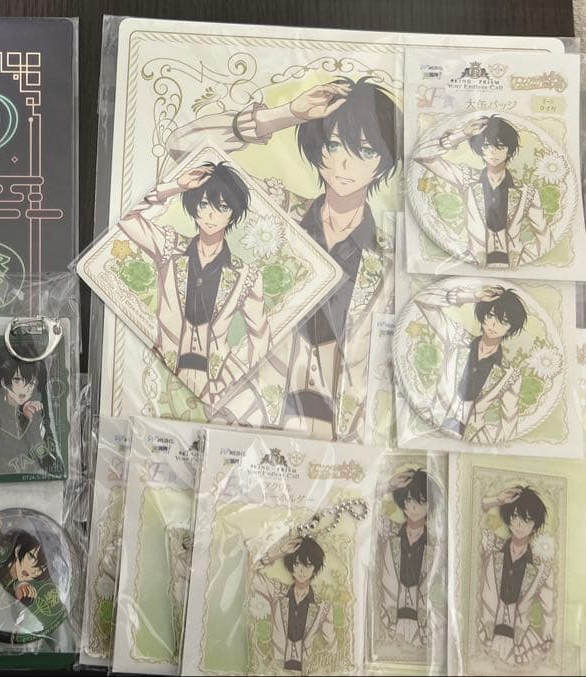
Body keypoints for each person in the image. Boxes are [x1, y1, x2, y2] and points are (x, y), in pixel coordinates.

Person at [166, 76, 401, 442]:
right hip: (250, 414)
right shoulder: (278, 213)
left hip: (341, 432)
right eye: (334, 145)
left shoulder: (389, 258)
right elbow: (182, 149)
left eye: (366, 151)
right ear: (317, 147)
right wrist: (286, 115)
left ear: (384, 161)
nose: (344, 164)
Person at [115, 161, 269, 412]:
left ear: (233, 213)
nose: (211, 215)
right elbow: (126, 219)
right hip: (161, 374)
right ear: (194, 206)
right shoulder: (169, 247)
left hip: (217, 384)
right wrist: (175, 186)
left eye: (222, 207)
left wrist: (235, 382)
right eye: (204, 204)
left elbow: (260, 338)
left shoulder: (245, 275)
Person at [413, 115, 547, 267]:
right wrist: (462, 135)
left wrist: (524, 261)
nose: (493, 152)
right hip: (472, 263)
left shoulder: (527, 191)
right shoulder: (467, 178)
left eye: (500, 146)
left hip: (515, 264)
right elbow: (421, 155)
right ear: (480, 149)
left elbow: (544, 235)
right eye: (486, 146)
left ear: (509, 151)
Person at [413, 284, 526, 442]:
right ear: (483, 314)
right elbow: (422, 299)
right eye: (491, 315)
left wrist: (478, 442)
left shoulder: (510, 375)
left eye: (504, 321)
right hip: (430, 425)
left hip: (468, 439)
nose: (494, 325)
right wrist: (472, 296)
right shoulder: (457, 338)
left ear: (511, 328)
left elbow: (509, 428)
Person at [477, 486, 555, 664]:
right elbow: (469, 516)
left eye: (527, 520)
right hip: (486, 634)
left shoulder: (541, 567)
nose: (519, 525)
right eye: (515, 517)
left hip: (520, 642)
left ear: (535, 525)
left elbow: (548, 605)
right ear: (509, 518)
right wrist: (497, 500)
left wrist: (548, 630)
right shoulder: (492, 546)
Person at [251, 535, 336, 674]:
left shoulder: (323, 608)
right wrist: (279, 554)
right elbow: (250, 573)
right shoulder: (277, 592)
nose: (302, 571)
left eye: (308, 565)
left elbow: (333, 647)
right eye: (297, 564)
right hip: (274, 670)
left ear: (315, 568)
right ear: (291, 566)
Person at [377, 469, 442, 647]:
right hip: (389, 622)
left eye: (421, 502)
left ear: (429, 505)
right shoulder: (389, 533)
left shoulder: (436, 544)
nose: (413, 508)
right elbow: (365, 509)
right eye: (408, 500)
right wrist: (388, 486)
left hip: (424, 628)